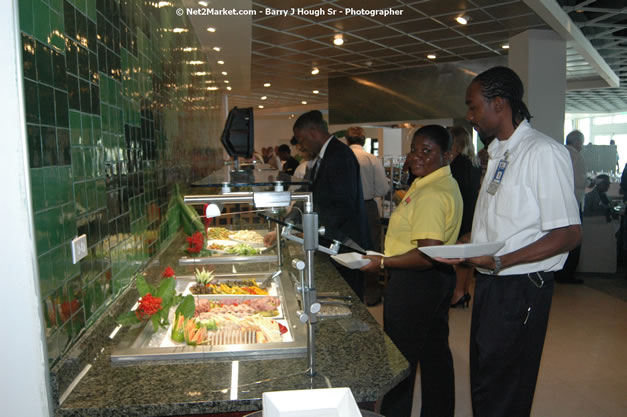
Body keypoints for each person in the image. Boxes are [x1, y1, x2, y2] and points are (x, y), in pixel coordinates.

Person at [439, 66, 581, 417]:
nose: (470, 116)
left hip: (521, 287)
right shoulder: (499, 152)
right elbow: (507, 222)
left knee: (507, 386)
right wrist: (471, 241)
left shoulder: (542, 152)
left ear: (499, 104)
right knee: (486, 379)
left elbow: (568, 233)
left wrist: (502, 260)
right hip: (491, 284)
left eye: (474, 107)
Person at [361, 125, 462, 417]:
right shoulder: (436, 182)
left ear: (447, 155)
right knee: (435, 355)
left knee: (399, 362)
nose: (416, 157)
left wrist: (382, 262)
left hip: (415, 282)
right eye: (414, 149)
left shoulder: (431, 193)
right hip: (436, 280)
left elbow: (426, 254)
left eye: (426, 151)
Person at [266, 110, 372, 299]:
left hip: (345, 243)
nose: (300, 145)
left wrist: (309, 229)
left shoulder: (339, 155)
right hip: (332, 240)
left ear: (313, 132)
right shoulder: (323, 156)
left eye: (301, 139)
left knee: (348, 296)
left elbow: (342, 204)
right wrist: (288, 225)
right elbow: (308, 195)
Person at [345, 126, 390, 305]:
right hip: (367, 206)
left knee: (348, 248)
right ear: (364, 141)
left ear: (347, 141)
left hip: (346, 208)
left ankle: (349, 291)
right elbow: (382, 188)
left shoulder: (342, 158)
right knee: (371, 248)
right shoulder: (371, 159)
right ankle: (370, 293)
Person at [448, 126, 482, 307]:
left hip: (461, 211)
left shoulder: (458, 163)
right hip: (472, 209)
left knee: (461, 253)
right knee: (469, 254)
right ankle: (465, 290)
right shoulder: (474, 161)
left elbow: (456, 190)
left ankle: (458, 292)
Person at [555, 130, 587, 284]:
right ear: (578, 142)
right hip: (573, 203)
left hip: (558, 204)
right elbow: (580, 181)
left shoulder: (559, 152)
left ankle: (558, 272)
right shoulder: (577, 156)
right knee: (574, 239)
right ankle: (568, 275)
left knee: (559, 238)